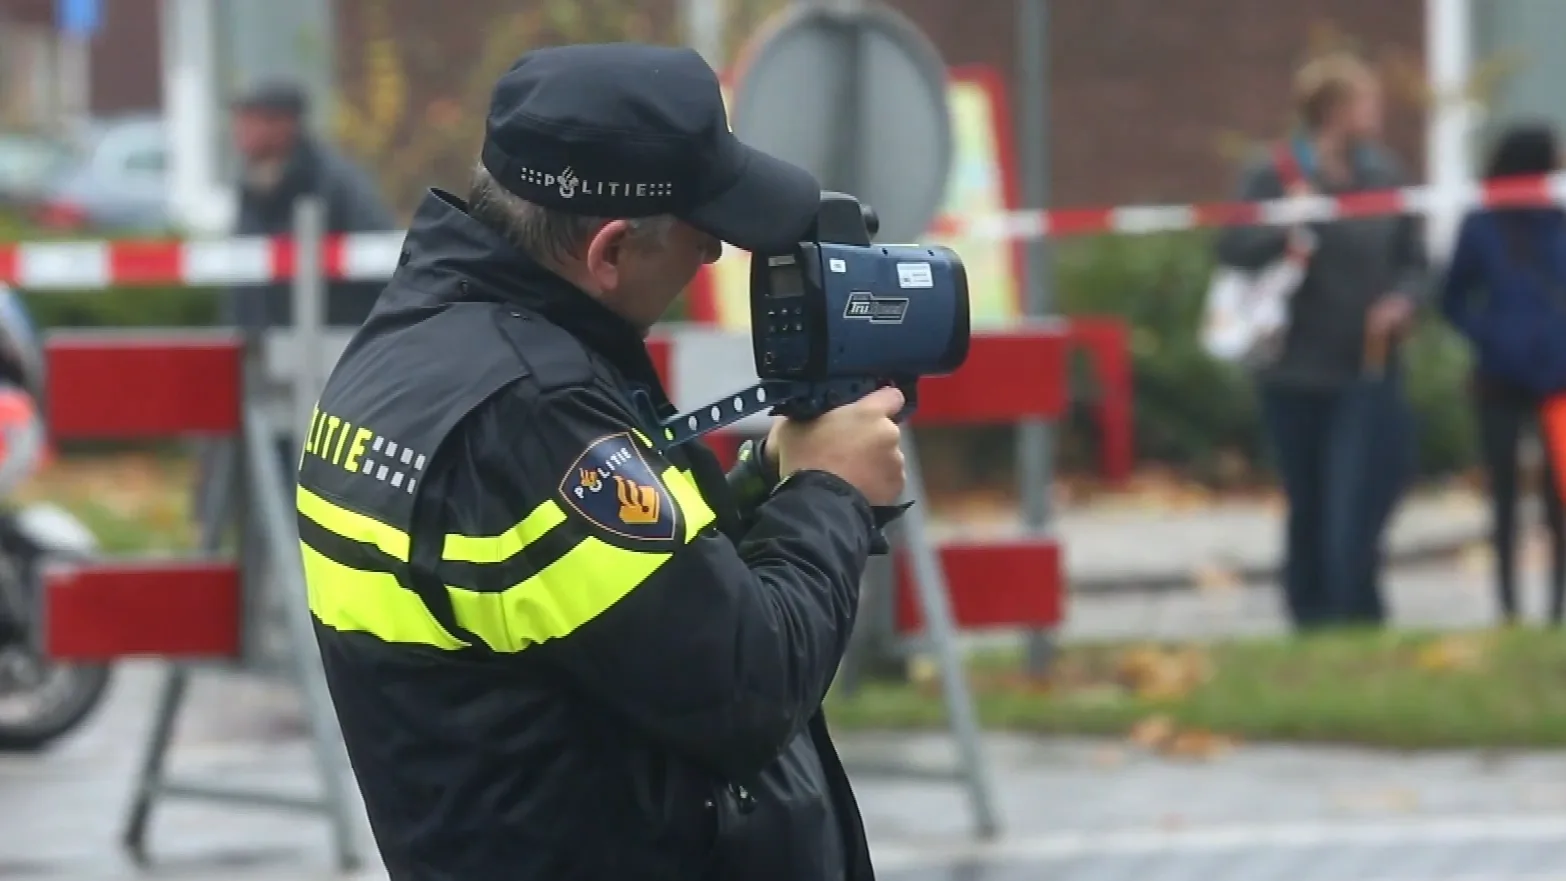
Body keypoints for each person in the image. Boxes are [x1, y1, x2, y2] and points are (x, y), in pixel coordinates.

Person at [294, 43, 904, 880]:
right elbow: (746, 687)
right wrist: (831, 491)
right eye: (701, 233)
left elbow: (609, 597)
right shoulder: (533, 411)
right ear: (609, 252)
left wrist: (765, 478)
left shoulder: (413, 343)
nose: (711, 256)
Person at [1215, 53, 1429, 630]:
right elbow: (1233, 249)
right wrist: (1288, 224)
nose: (1376, 112)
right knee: (1309, 492)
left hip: (1369, 363)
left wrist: (1403, 300)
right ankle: (1310, 608)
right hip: (1294, 364)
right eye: (1365, 101)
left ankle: (1358, 604)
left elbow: (1414, 258)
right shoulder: (1275, 173)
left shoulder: (1384, 174)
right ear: (1334, 109)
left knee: (1363, 489)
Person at [1440, 122, 1566, 626]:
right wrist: (1488, 334)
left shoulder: (1558, 219)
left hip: (1559, 377)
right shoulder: (1483, 224)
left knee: (1559, 493)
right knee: (1505, 494)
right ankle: (1508, 605)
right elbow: (1452, 296)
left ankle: (1557, 607)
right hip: (1499, 377)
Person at [227, 80, 396, 330]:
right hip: (264, 342)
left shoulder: (337, 183)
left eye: (251, 119)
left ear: (284, 124)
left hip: (337, 339)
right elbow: (245, 270)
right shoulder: (249, 185)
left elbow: (378, 258)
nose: (239, 130)